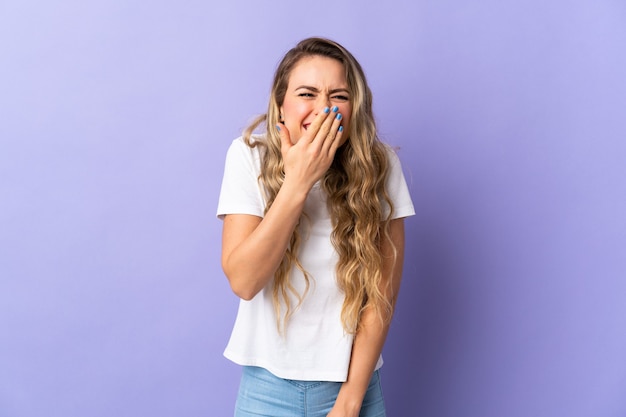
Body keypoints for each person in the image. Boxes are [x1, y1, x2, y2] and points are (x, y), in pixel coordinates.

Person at [217, 37, 415, 417]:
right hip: (267, 390)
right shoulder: (248, 156)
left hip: (353, 387)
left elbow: (381, 295)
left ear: (354, 108)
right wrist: (299, 181)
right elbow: (244, 281)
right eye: (307, 93)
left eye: (338, 96)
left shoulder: (381, 165)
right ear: (281, 104)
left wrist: (350, 400)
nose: (323, 108)